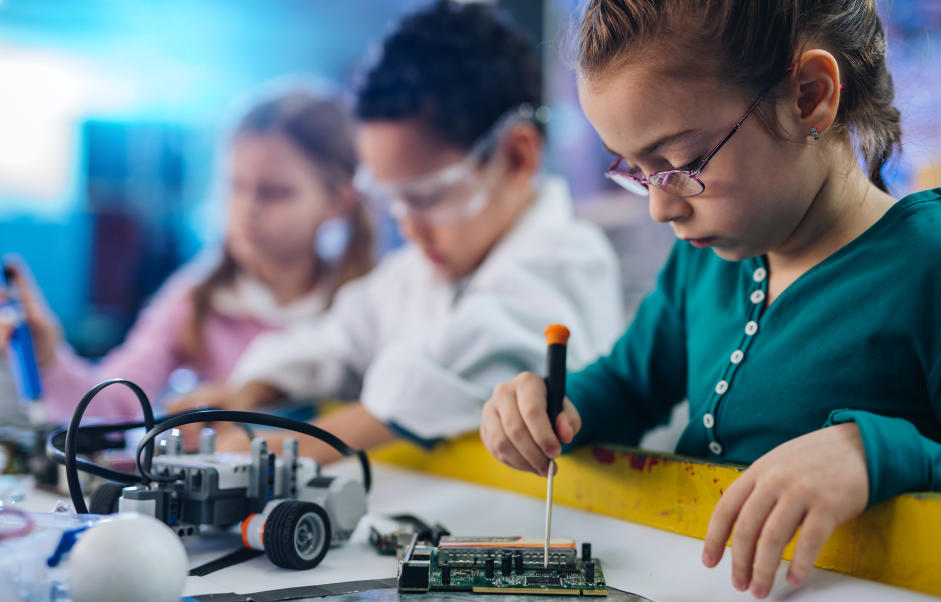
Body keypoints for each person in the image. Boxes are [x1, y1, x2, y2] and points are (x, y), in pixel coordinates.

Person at [480, 0, 941, 601]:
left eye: (681, 163)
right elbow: (629, 387)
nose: (660, 208)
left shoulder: (939, 267)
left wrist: (878, 454)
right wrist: (545, 407)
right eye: (633, 169)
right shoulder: (704, 259)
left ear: (809, 95)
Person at [188, 1, 623, 459]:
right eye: (392, 200)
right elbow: (334, 340)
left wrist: (263, 451)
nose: (409, 228)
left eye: (428, 197)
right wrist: (250, 391)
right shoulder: (417, 274)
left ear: (517, 157)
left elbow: (445, 372)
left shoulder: (568, 259)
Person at [0, 90, 374, 423]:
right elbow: (114, 407)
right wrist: (47, 356)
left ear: (337, 201)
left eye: (274, 192)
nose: (247, 208)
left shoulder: (369, 305)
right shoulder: (196, 297)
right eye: (235, 185)